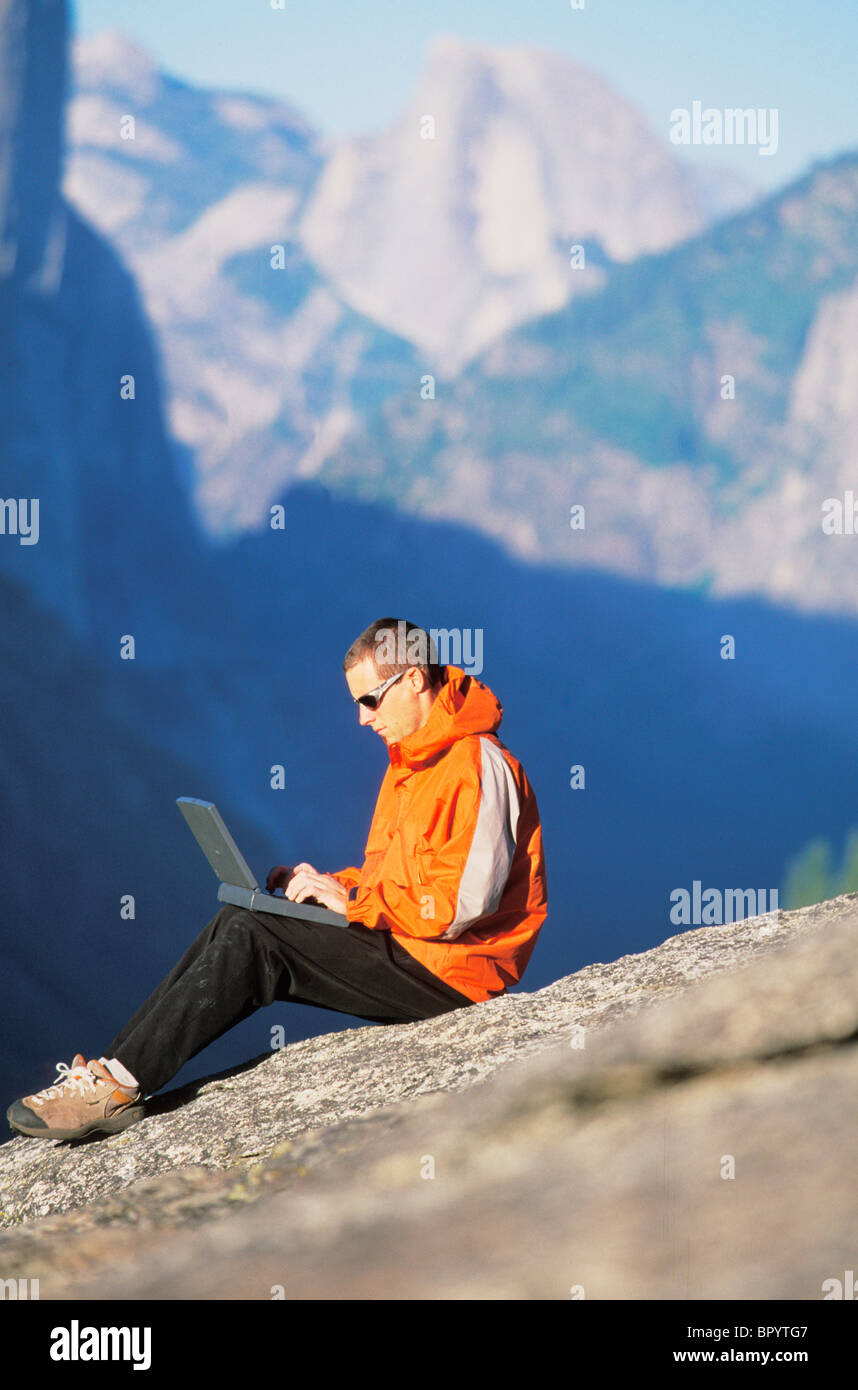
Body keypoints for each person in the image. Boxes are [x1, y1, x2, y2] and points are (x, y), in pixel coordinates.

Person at [7, 617, 547, 1141]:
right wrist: (325, 885)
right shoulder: (414, 761)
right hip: (412, 946)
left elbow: (461, 907)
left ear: (412, 680)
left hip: (455, 974)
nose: (362, 719)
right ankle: (111, 1072)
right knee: (242, 916)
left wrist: (353, 904)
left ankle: (116, 1087)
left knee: (256, 940)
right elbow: (398, 876)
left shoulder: (478, 764)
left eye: (369, 700)